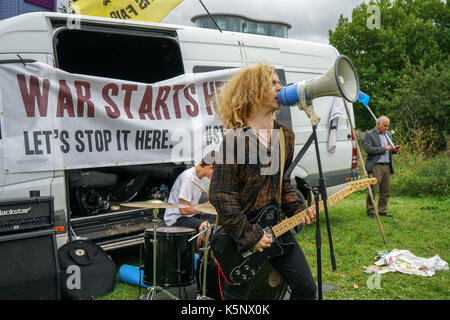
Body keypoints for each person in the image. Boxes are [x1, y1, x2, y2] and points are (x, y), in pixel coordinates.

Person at [208, 63, 317, 300]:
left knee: (307, 289)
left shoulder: (285, 135)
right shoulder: (234, 141)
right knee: (239, 298)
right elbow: (220, 196)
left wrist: (298, 209)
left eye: (280, 82)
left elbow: (283, 183)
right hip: (240, 237)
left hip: (276, 228)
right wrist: (250, 235)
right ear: (254, 90)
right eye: (273, 83)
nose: (281, 87)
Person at [164, 153, 216, 248]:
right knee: (206, 226)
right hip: (176, 218)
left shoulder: (201, 178)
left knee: (217, 219)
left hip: (189, 215)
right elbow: (183, 210)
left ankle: (213, 254)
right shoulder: (188, 178)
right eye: (216, 172)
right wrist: (203, 207)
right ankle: (202, 259)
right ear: (210, 167)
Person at [364, 115, 401, 218]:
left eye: (388, 126)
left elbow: (389, 150)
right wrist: (383, 148)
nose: (387, 128)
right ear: (378, 124)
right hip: (375, 166)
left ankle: (382, 210)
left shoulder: (388, 134)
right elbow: (368, 149)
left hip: (387, 166)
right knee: (373, 189)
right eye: (385, 126)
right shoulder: (369, 134)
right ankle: (371, 211)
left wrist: (394, 150)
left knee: (385, 189)